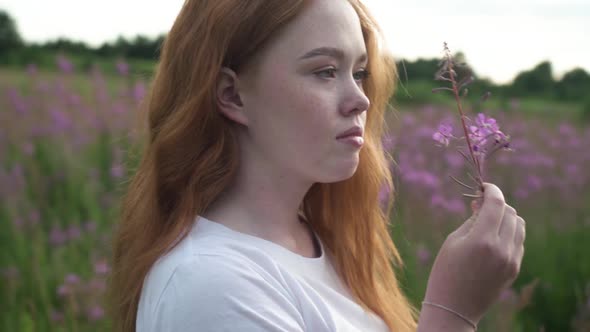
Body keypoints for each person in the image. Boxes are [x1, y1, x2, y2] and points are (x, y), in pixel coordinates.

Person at [108, 0, 527, 331]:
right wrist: (452, 314)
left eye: (359, 72)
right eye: (325, 71)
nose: (360, 99)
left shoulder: (320, 240)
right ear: (232, 96)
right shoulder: (211, 286)